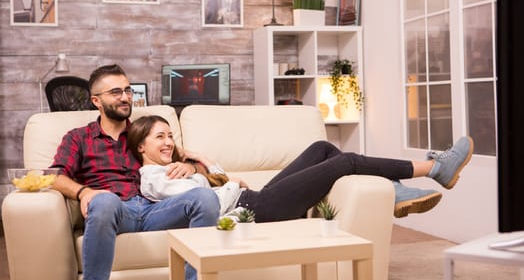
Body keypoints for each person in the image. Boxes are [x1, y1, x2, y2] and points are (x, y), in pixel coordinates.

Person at [50, 64, 220, 280]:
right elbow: (54, 176)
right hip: (115, 209)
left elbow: (197, 165)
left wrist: (192, 168)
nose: (125, 98)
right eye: (115, 92)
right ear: (96, 101)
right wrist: (83, 192)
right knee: (103, 200)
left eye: (128, 90)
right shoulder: (78, 138)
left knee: (205, 198)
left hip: (156, 208)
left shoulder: (145, 133)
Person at [128, 115, 474, 222]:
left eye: (171, 136)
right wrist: (201, 174)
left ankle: (395, 189)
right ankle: (433, 168)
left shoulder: (178, 166)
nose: (169, 142)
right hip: (252, 210)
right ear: (140, 145)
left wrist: (195, 157)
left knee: (322, 148)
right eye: (160, 137)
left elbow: (220, 177)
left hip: (253, 197)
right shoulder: (154, 179)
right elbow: (202, 201)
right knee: (346, 162)